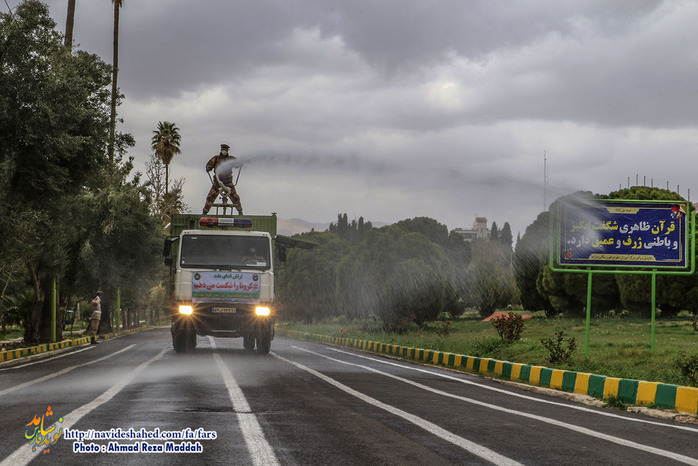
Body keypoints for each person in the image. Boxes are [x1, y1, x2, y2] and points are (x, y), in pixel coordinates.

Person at [202, 143, 243, 215]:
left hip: (228, 181)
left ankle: (240, 211)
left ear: (227, 150)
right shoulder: (216, 158)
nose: (224, 151)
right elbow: (210, 164)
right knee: (211, 196)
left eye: (226, 150)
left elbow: (237, 163)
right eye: (223, 149)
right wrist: (208, 168)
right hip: (218, 181)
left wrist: (239, 164)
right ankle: (205, 211)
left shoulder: (230, 159)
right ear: (221, 150)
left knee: (235, 196)